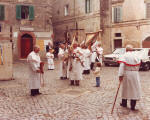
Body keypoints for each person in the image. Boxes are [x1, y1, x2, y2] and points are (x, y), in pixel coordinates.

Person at [118, 44, 142, 110]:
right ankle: (133, 106)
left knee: (125, 89)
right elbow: (139, 65)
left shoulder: (125, 55)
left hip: (127, 73)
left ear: (126, 50)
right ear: (132, 50)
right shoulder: (136, 56)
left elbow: (122, 66)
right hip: (135, 74)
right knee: (134, 90)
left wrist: (120, 75)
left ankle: (124, 103)